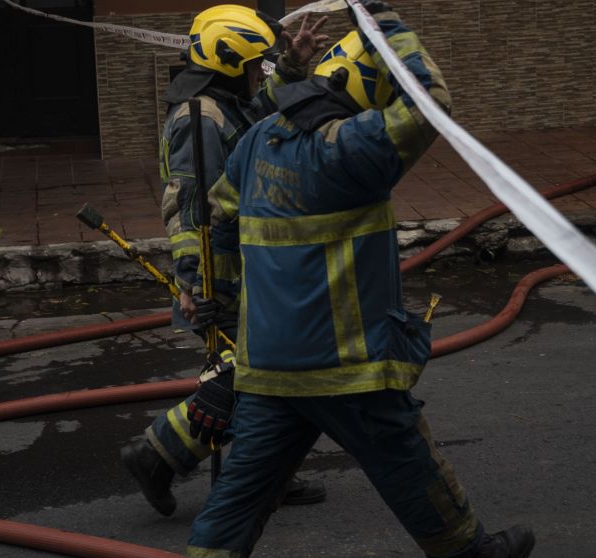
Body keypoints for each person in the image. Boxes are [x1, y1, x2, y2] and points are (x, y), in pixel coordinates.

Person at [182, 4, 536, 557]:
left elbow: (218, 222)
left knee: (240, 497)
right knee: (410, 469)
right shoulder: (353, 149)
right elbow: (429, 99)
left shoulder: (257, 142)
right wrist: (382, 20)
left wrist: (214, 296)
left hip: (268, 367)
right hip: (348, 367)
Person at [119, 4, 330, 517]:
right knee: (257, 376)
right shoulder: (200, 119)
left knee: (267, 376)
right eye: (257, 64)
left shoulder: (226, 103)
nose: (262, 72)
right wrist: (197, 283)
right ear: (231, 65)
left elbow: (265, 111)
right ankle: (157, 456)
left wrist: (294, 66)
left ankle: (255, 473)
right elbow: (189, 207)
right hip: (224, 279)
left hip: (253, 268)